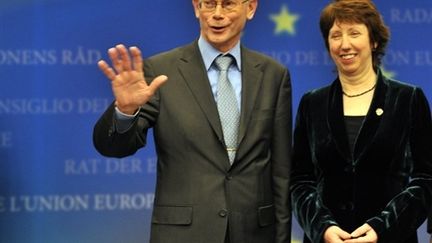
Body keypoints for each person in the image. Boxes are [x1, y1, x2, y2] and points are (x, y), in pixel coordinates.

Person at [93, 0, 292, 243]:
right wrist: (125, 109)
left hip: (255, 234)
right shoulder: (161, 71)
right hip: (183, 234)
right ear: (196, 7)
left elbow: (281, 171)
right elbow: (114, 146)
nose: (217, 14)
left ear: (250, 8)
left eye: (228, 4)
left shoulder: (273, 74)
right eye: (209, 4)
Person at [290, 0, 432, 243]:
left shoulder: (408, 99)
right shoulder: (312, 103)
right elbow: (300, 181)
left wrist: (381, 228)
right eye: (336, 35)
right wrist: (323, 228)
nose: (344, 44)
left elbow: (426, 179)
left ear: (374, 41)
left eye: (354, 33)